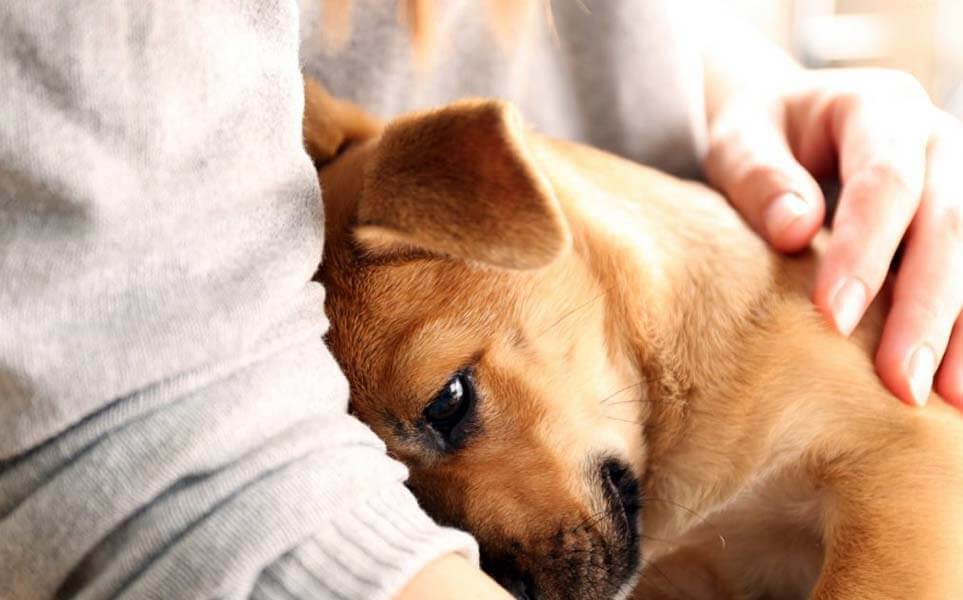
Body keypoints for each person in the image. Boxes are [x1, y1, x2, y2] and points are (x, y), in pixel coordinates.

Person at [0, 1, 959, 599]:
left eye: (451, 406)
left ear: (491, 202)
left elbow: (926, 480)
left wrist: (754, 91)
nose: (453, 527)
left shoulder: (757, 365)